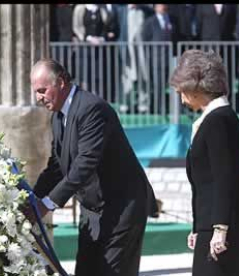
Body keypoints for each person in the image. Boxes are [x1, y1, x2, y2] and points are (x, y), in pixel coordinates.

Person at [28, 58, 158, 276]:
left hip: (121, 209)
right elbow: (56, 167)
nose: (38, 98)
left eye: (42, 90)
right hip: (93, 212)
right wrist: (32, 198)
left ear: (60, 82)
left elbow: (85, 162)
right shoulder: (58, 117)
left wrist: (47, 204)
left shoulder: (91, 109)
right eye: (36, 92)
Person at [169, 50, 239, 276]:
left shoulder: (219, 120)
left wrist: (220, 228)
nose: (181, 97)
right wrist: (199, 227)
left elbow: (224, 178)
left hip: (222, 225)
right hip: (211, 222)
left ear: (197, 88)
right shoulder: (214, 118)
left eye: (182, 91)